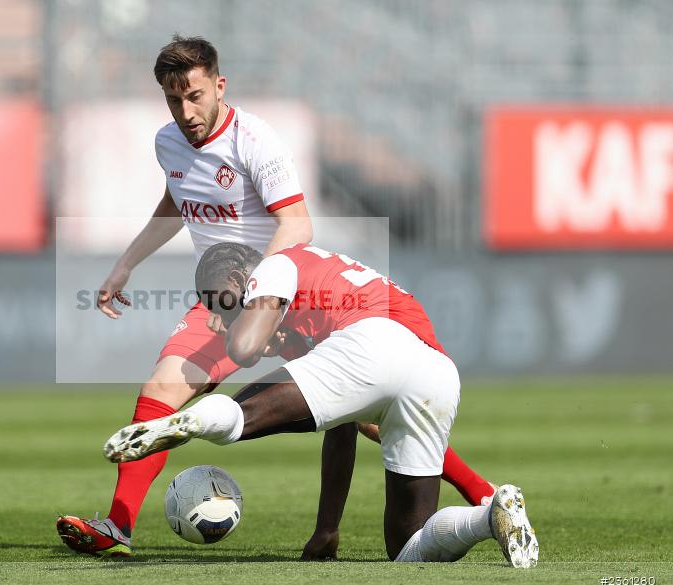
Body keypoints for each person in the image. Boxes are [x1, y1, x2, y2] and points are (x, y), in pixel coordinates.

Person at [58, 35, 494, 558]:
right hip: (222, 303)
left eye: (194, 96)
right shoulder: (168, 143)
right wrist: (127, 263)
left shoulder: (254, 140)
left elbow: (297, 225)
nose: (186, 111)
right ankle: (118, 526)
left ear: (219, 85)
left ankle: (483, 495)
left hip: (285, 300)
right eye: (174, 100)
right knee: (160, 388)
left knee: (371, 418)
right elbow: (177, 200)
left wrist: (255, 293)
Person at [103, 242, 539, 568]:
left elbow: (243, 347)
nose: (219, 315)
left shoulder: (274, 266)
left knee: (243, 417)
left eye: (220, 301)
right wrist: (328, 527)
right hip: (435, 369)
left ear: (238, 278)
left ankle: (188, 422)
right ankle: (491, 516)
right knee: (409, 546)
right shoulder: (318, 302)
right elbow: (341, 431)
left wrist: (235, 331)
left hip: (373, 341)